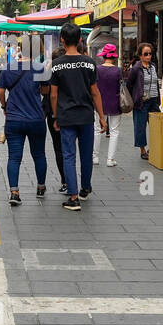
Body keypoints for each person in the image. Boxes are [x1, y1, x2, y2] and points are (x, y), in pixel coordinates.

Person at [49, 22, 106, 211]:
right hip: (86, 115)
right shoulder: (89, 63)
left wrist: (55, 115)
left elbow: (54, 94)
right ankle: (85, 188)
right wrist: (102, 116)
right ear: (81, 39)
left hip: (66, 116)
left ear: (62, 40)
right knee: (86, 154)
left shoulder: (57, 65)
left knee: (69, 155)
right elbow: (95, 92)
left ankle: (73, 197)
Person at [0, 54, 48, 205]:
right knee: (39, 155)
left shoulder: (7, 68)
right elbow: (45, 91)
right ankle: (40, 187)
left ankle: (14, 192)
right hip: (36, 119)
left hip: (14, 119)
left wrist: (4, 106)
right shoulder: (39, 69)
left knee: (14, 157)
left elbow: (0, 92)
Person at [126, 42, 161, 160]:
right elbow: (129, 84)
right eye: (145, 54)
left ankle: (155, 147)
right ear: (140, 55)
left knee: (156, 125)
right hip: (141, 102)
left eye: (150, 54)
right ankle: (142, 150)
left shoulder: (153, 66)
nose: (148, 56)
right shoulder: (136, 68)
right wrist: (135, 98)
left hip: (154, 100)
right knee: (140, 126)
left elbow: (156, 82)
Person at [93, 44, 122, 167]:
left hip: (99, 104)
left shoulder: (97, 69)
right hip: (115, 103)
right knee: (114, 131)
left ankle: (95, 157)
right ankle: (110, 159)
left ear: (103, 56)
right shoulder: (118, 70)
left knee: (97, 130)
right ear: (114, 56)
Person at [42, 47, 67, 192]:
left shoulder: (49, 74)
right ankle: (74, 181)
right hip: (71, 113)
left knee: (59, 148)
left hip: (54, 114)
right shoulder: (71, 71)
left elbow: (47, 94)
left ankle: (65, 181)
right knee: (69, 148)